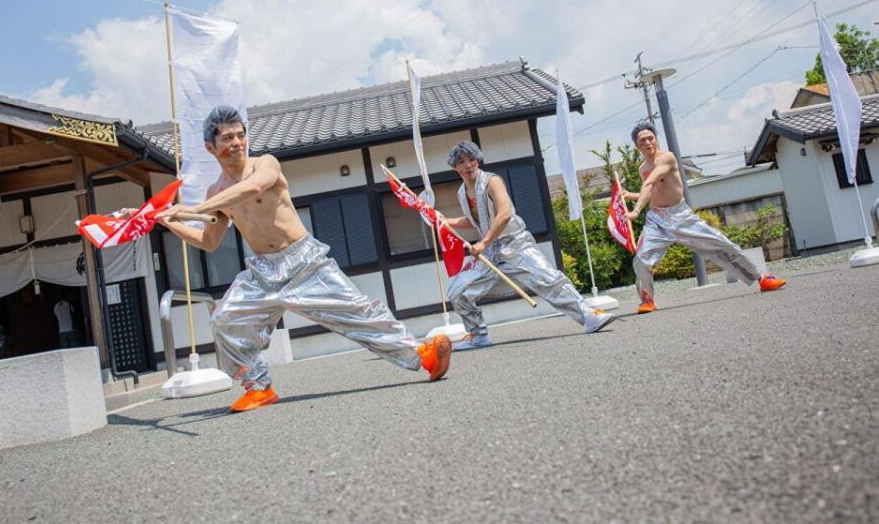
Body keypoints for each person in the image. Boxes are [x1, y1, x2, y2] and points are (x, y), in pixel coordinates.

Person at [156, 106, 451, 412]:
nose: (237, 143)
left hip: (303, 262)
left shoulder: (264, 165)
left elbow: (253, 188)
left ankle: (423, 355)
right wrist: (169, 222)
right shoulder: (215, 191)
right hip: (262, 272)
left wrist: (191, 208)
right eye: (228, 138)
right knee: (224, 320)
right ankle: (258, 388)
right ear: (210, 147)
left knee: (357, 311)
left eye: (241, 135)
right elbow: (208, 241)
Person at [443, 141, 616, 351]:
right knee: (458, 291)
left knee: (548, 279)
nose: (468, 164)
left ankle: (588, 316)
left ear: (477, 159)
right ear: (455, 168)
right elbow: (476, 221)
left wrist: (484, 242)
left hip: (514, 242)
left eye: (471, 159)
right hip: (489, 251)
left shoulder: (491, 181)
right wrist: (446, 221)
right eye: (462, 161)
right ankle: (478, 335)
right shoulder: (462, 192)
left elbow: (504, 213)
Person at [622, 122, 786, 314]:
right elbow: (651, 190)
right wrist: (631, 195)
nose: (648, 142)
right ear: (637, 146)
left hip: (680, 215)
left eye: (651, 138)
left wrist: (635, 211)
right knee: (641, 259)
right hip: (657, 220)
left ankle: (762, 278)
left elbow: (651, 182)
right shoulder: (643, 168)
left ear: (656, 140)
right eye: (643, 140)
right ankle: (647, 299)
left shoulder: (667, 158)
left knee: (721, 243)